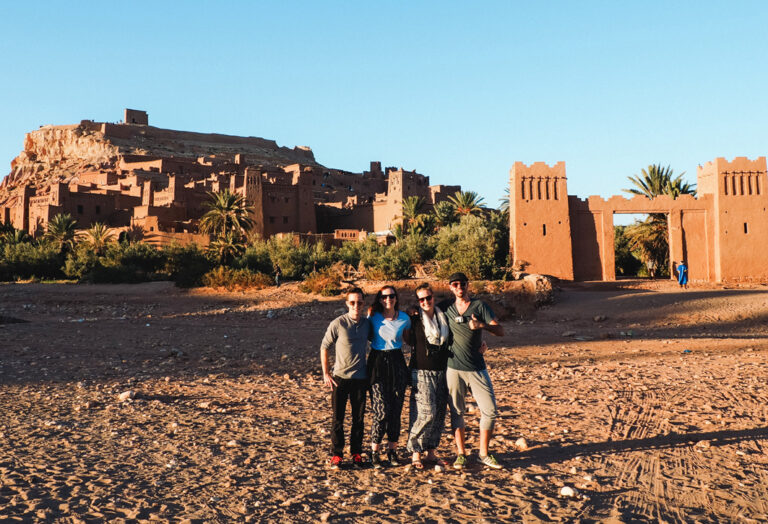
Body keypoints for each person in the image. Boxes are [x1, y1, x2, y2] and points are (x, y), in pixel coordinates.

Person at [439, 272, 505, 470]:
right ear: (450, 287)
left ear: (468, 285)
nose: (460, 287)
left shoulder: (480, 306)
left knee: (490, 411)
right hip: (453, 368)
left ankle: (483, 454)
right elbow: (424, 310)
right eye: (455, 284)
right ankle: (461, 454)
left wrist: (481, 326)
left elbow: (500, 330)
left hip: (476, 366)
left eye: (463, 284)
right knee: (456, 412)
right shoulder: (445, 307)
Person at [320, 287, 371, 470]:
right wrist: (326, 373)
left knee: (359, 418)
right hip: (339, 378)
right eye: (352, 302)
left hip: (360, 378)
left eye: (359, 302)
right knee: (338, 418)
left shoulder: (367, 324)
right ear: (347, 304)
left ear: (364, 304)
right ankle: (337, 454)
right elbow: (324, 347)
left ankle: (356, 453)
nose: (356, 305)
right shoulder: (338, 323)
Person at [406, 283, 451, 469]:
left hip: (442, 370)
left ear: (433, 297)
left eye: (428, 298)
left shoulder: (444, 318)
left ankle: (431, 452)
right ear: (418, 302)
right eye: (421, 299)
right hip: (421, 371)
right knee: (426, 412)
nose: (425, 302)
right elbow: (407, 340)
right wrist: (409, 314)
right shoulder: (415, 319)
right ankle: (415, 451)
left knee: (439, 412)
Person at [367, 285, 411, 468]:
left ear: (396, 298)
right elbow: (366, 336)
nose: (388, 299)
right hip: (377, 362)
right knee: (381, 410)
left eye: (391, 296)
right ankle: (374, 452)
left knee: (396, 409)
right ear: (380, 298)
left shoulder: (404, 318)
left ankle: (392, 451)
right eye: (384, 296)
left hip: (397, 361)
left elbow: (410, 340)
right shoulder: (373, 317)